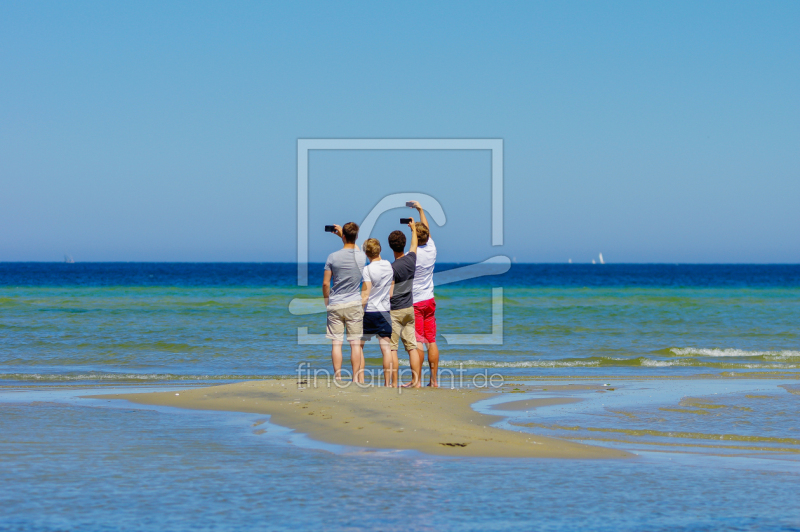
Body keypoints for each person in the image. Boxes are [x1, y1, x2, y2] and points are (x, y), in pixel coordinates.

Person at [322, 222, 366, 383]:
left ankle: (338, 377)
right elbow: (355, 250)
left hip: (335, 303)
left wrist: (327, 301)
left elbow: (326, 283)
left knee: (336, 343)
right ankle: (355, 378)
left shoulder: (332, 257)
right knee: (355, 344)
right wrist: (344, 235)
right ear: (357, 237)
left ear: (344, 236)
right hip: (354, 303)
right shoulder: (362, 256)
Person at [387, 218, 423, 388]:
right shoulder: (411, 260)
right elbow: (414, 245)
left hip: (395, 310)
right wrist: (413, 228)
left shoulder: (392, 268)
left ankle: (394, 383)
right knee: (412, 347)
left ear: (391, 246)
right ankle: (416, 382)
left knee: (393, 348)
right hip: (409, 308)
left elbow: (390, 293)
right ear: (403, 245)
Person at [408, 201, 439, 387]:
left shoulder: (412, 254)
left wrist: (412, 230)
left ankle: (416, 380)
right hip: (430, 300)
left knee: (417, 340)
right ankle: (434, 381)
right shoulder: (432, 248)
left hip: (416, 302)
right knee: (431, 340)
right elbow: (426, 230)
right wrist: (420, 209)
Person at [360, 238, 397, 387]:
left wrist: (358, 310)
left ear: (366, 253)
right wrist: (389, 294)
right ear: (379, 250)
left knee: (358, 347)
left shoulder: (367, 269)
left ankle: (360, 380)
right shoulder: (388, 265)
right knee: (386, 348)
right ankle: (387, 384)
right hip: (384, 311)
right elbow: (392, 284)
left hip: (369, 312)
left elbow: (365, 295)